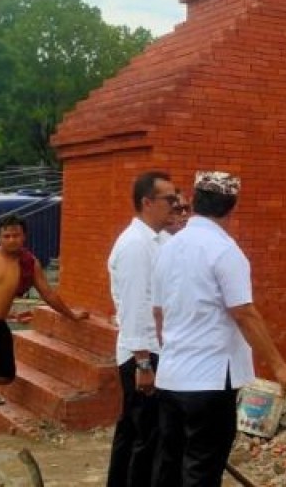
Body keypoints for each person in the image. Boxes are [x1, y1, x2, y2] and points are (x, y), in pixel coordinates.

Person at [152, 171, 286, 486]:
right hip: (209, 381)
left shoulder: (168, 247)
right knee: (200, 471)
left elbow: (158, 312)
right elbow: (244, 313)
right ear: (232, 206)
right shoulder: (224, 251)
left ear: (192, 201)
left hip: (171, 377)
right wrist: (280, 366)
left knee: (168, 467)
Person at [0, 215, 89, 436]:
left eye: (16, 235)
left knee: (6, 375)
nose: (11, 240)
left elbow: (48, 293)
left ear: (24, 236)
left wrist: (72, 315)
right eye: (6, 236)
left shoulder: (29, 263)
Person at [106, 171, 178, 487]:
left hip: (154, 349)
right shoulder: (135, 245)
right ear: (147, 203)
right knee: (146, 437)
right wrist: (144, 364)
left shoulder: (160, 239)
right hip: (143, 353)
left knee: (135, 430)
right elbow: (136, 306)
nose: (175, 206)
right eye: (170, 200)